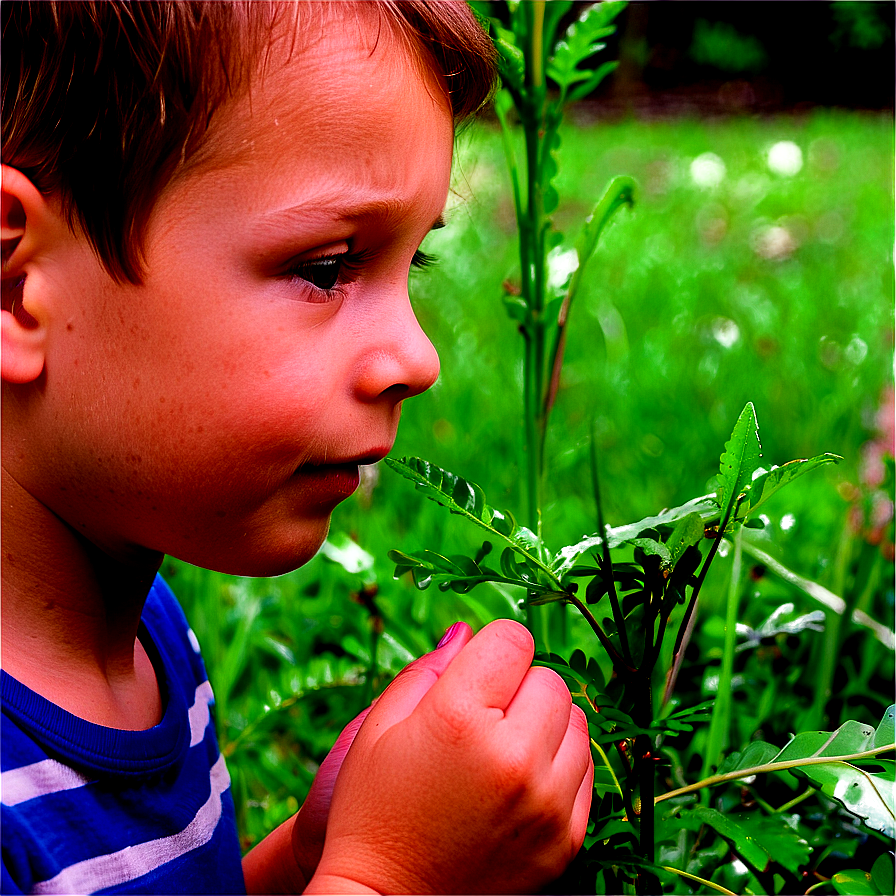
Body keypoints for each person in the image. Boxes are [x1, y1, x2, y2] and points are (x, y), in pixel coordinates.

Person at [0, 2, 594, 893]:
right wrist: (391, 876)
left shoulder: (143, 631)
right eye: (326, 267)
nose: (418, 358)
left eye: (411, 262)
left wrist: (316, 855)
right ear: (16, 287)